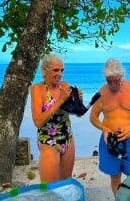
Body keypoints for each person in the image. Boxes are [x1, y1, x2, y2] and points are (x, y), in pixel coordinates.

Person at [89, 58, 130, 196]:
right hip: (109, 141)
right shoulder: (102, 93)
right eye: (109, 81)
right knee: (115, 177)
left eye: (116, 80)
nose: (113, 84)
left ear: (122, 76)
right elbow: (93, 117)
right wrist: (104, 128)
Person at [30, 54, 83, 182]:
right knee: (50, 189)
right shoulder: (38, 89)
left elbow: (77, 113)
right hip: (49, 141)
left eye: (62, 70)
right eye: (55, 70)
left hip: (68, 138)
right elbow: (38, 121)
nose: (60, 74)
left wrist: (79, 102)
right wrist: (59, 101)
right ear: (44, 70)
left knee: (65, 184)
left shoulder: (64, 85)